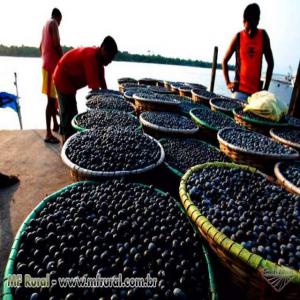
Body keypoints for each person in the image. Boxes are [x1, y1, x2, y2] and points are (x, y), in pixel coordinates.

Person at [53, 36, 118, 143]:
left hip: (71, 84)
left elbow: (104, 89)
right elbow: (95, 92)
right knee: (68, 115)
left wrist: (111, 104)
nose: (110, 61)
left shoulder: (99, 64)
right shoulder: (91, 57)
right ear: (103, 49)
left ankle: (70, 138)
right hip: (62, 78)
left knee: (72, 112)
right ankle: (65, 143)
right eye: (110, 57)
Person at [222, 3, 274, 101]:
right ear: (243, 22)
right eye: (248, 28)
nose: (250, 32)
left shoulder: (263, 36)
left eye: (253, 28)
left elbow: (270, 63)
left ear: (258, 21)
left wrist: (265, 88)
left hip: (256, 94)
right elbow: (224, 60)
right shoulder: (238, 37)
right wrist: (228, 83)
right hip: (239, 91)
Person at [40, 8, 63, 143]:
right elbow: (56, 44)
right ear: (58, 17)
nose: (60, 24)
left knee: (53, 99)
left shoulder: (45, 25)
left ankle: (55, 124)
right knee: (50, 101)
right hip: (50, 67)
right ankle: (48, 134)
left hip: (47, 66)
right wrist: (63, 61)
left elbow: (40, 47)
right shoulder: (53, 23)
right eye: (61, 21)